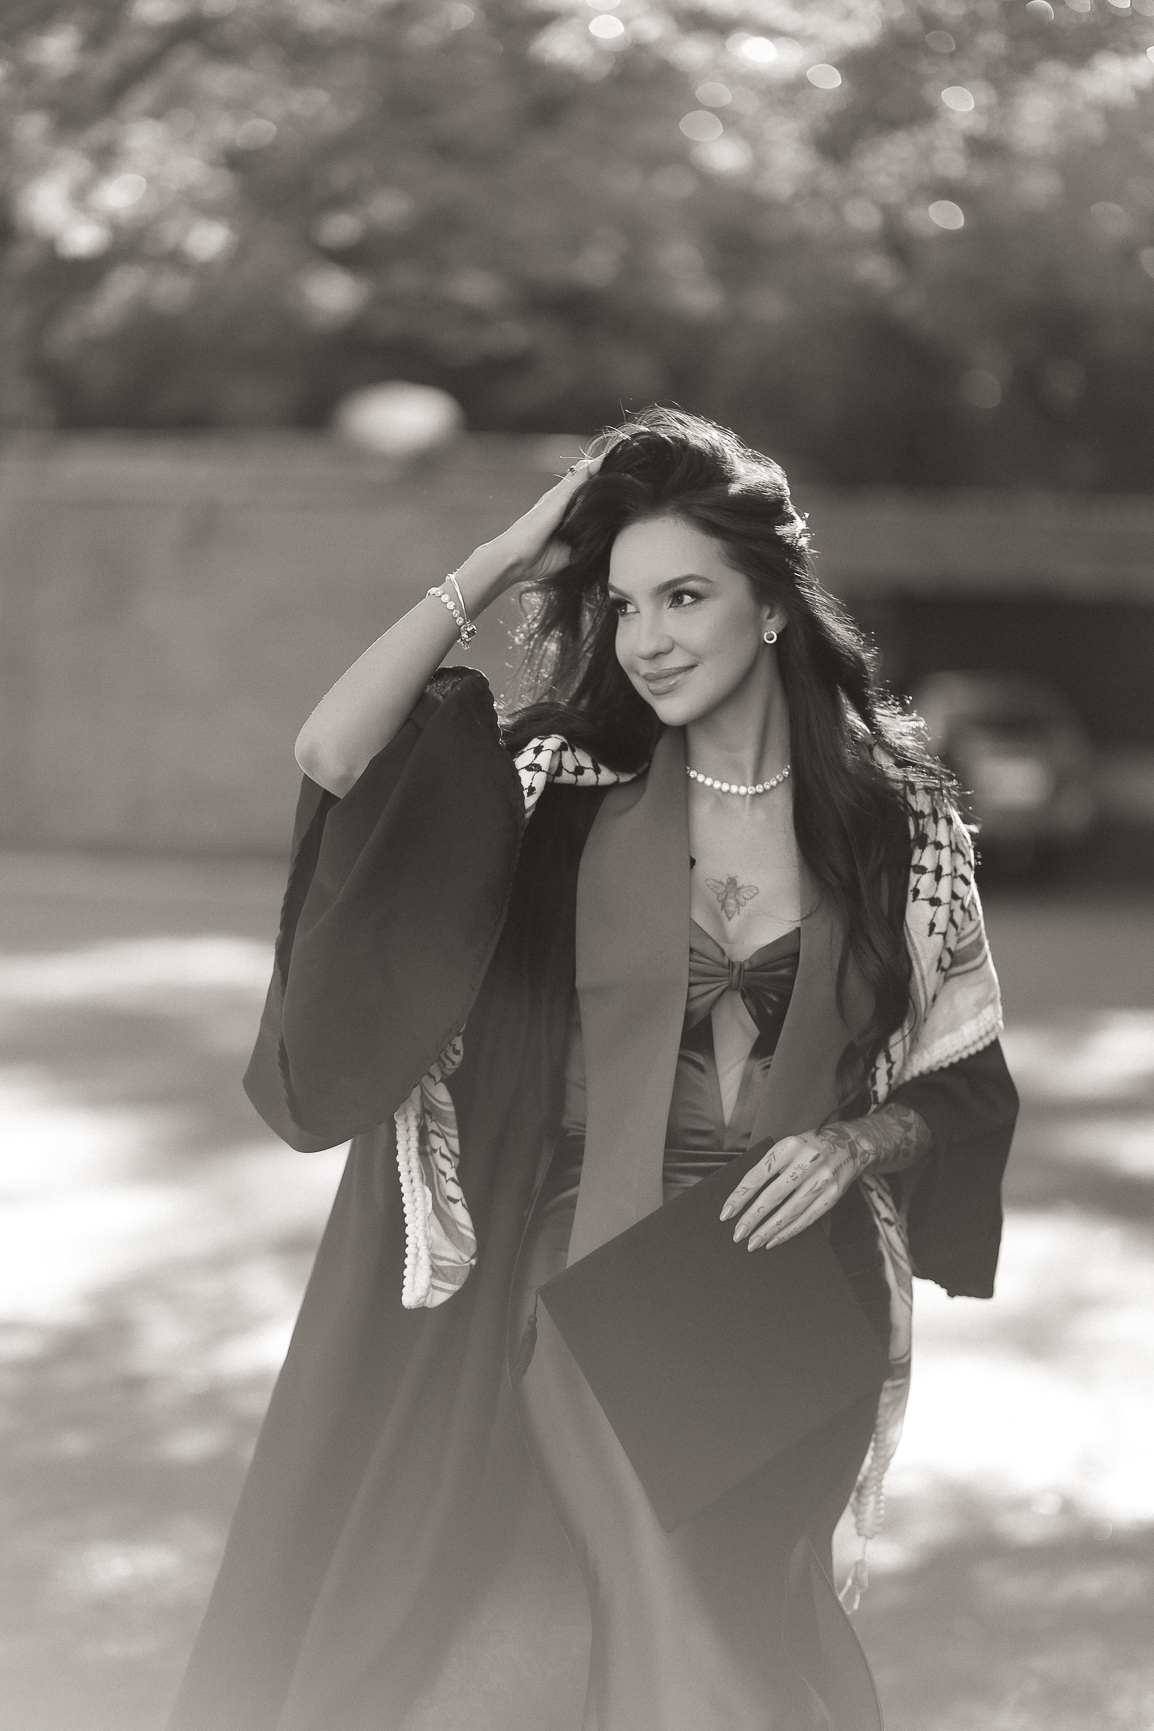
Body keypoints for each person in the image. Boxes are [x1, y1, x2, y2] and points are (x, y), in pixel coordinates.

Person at [167, 408, 1018, 1731]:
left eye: (684, 596)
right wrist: (505, 558)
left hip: (796, 1298)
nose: (647, 638)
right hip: (589, 1265)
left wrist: (856, 1144)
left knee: (733, 1621)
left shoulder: (901, 826)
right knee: (647, 1609)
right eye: (623, 604)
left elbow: (965, 1079)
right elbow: (334, 755)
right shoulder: (562, 790)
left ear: (772, 606)